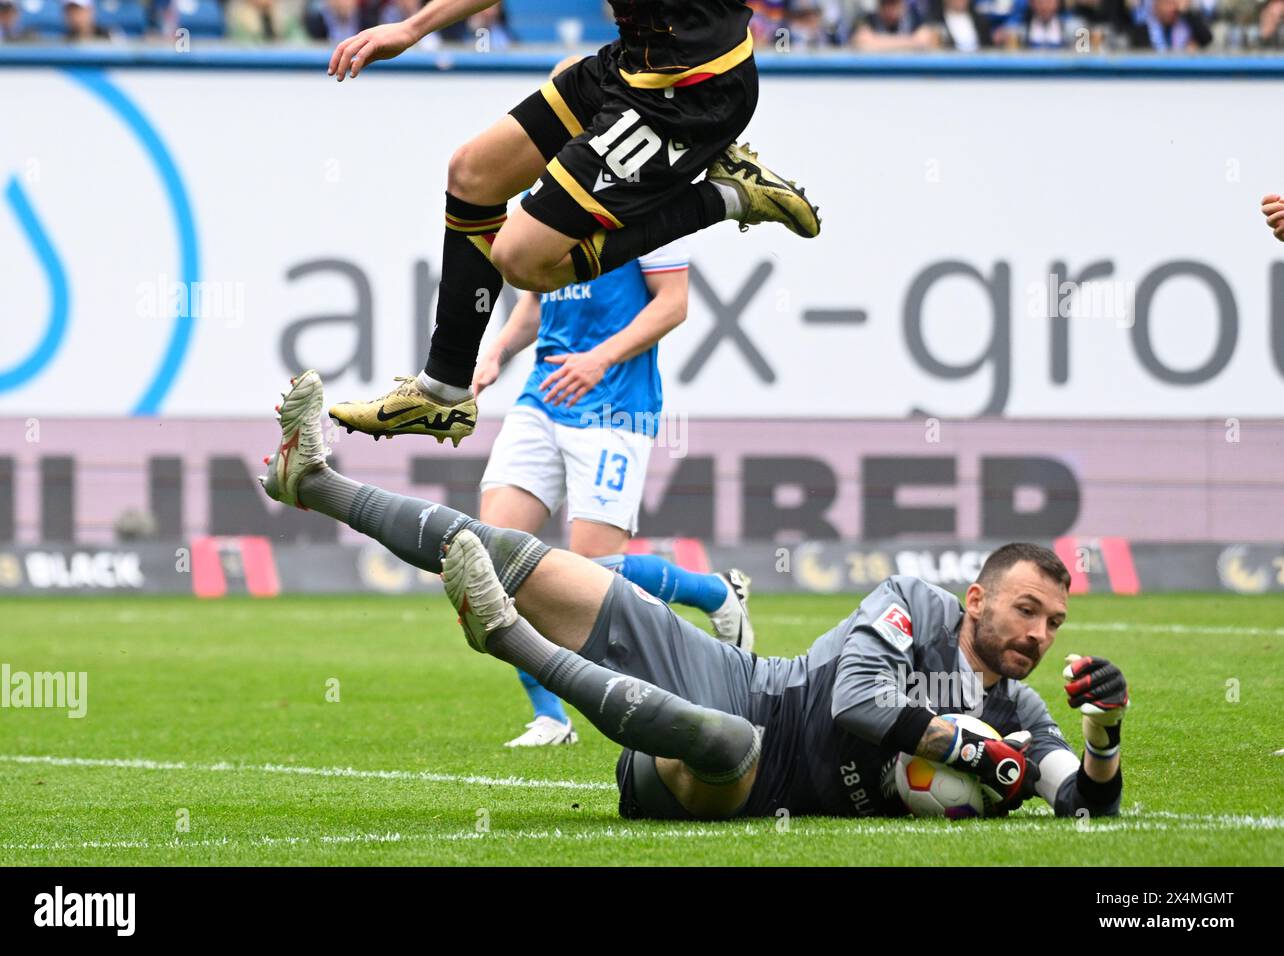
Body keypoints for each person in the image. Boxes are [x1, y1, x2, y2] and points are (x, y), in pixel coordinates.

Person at [260, 371, 1130, 820]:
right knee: (521, 553)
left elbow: (1081, 803)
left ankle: (503, 638)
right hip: (743, 679)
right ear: (977, 598)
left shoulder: (1018, 709)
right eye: (1026, 610)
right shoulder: (917, 601)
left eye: (1054, 623)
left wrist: (1103, 735)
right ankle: (316, 483)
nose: (1039, 634)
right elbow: (863, 703)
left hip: (750, 778)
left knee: (724, 744)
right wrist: (977, 756)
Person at [320, 0, 822, 448]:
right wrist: (411, 28)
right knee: (473, 173)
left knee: (522, 259)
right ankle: (444, 390)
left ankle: (726, 196)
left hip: (690, 93)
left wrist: (412, 27)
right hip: (633, 68)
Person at [475, 161, 753, 746]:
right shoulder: (540, 199)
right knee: (491, 562)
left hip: (615, 409)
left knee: (588, 579)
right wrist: (497, 349)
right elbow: (534, 302)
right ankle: (550, 717)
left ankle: (714, 593)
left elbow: (672, 304)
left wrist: (599, 358)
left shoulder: (647, 200)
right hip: (542, 398)